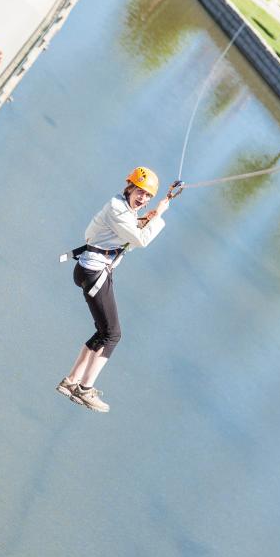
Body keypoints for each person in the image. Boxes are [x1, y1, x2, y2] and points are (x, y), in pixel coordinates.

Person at [58, 167, 173, 413]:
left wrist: (147, 218)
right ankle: (85, 389)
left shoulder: (122, 207)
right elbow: (140, 240)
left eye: (147, 196)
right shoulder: (117, 209)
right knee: (112, 335)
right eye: (140, 192)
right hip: (95, 273)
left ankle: (71, 381)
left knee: (104, 332)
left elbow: (126, 231)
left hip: (91, 270)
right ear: (129, 188)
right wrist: (160, 216)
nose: (142, 198)